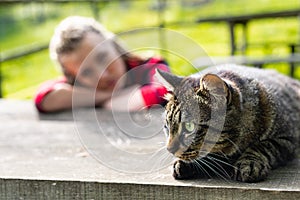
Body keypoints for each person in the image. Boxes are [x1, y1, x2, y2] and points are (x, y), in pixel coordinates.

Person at [34, 16, 170, 113]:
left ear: (114, 45)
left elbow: (166, 90)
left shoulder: (149, 66)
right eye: (86, 72)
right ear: (75, 78)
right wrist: (109, 98)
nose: (102, 75)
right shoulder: (79, 85)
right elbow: (45, 98)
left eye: (102, 58)